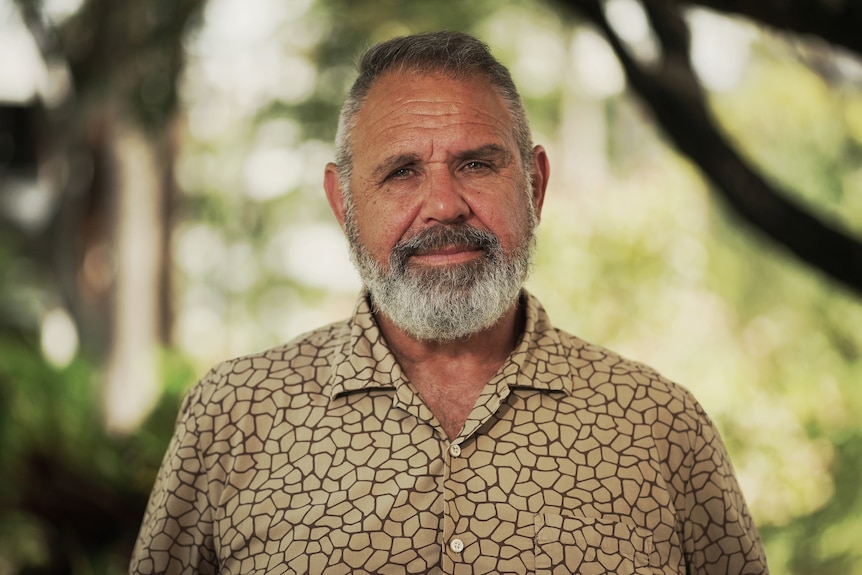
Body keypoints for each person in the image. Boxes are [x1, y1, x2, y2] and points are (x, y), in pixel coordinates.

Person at [130, 31, 769, 574]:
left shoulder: (662, 427)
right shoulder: (233, 416)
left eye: (476, 165)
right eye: (402, 171)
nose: (443, 205)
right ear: (342, 202)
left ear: (535, 186)